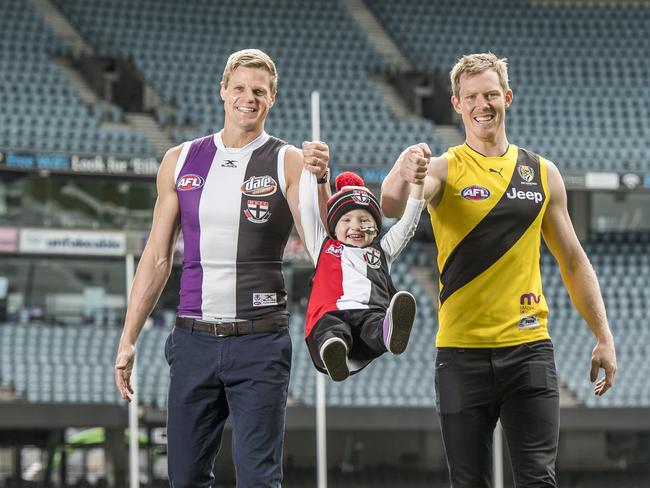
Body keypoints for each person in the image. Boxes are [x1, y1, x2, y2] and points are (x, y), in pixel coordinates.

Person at [381, 52, 617, 487]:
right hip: (460, 354)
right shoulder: (444, 168)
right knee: (468, 482)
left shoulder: (543, 173)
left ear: (507, 97)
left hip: (529, 351)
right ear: (457, 104)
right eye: (471, 97)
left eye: (490, 94)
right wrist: (403, 170)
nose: (482, 105)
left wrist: (603, 336)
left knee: (538, 479)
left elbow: (573, 259)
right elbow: (391, 205)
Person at [114, 48, 331, 487]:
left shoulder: (287, 161)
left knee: (258, 479)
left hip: (259, 341)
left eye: (259, 91)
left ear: (272, 99)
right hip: (193, 341)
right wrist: (128, 337)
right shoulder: (180, 159)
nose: (247, 98)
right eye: (239, 88)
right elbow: (157, 257)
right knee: (186, 478)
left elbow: (321, 246)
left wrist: (321, 181)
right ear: (222, 91)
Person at [298, 169, 425, 381]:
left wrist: (418, 185)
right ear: (333, 226)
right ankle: (334, 351)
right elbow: (307, 209)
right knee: (331, 329)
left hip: (368, 315)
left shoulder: (382, 250)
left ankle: (388, 332)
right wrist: (309, 171)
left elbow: (407, 226)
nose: (355, 226)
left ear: (375, 228)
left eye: (364, 220)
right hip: (332, 313)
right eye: (346, 220)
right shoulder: (322, 245)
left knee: (373, 325)